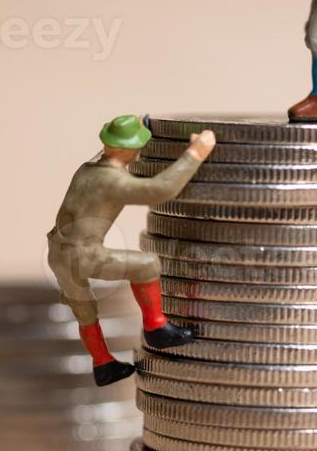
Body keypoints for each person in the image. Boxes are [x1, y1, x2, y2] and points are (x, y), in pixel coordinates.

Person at [47, 115, 216, 386]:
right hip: (84, 255)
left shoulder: (87, 168)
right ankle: (156, 327)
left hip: (57, 252)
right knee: (146, 264)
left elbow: (106, 155)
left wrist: (133, 126)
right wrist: (195, 154)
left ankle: (103, 365)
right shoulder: (114, 181)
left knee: (85, 311)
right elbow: (160, 190)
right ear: (129, 150)